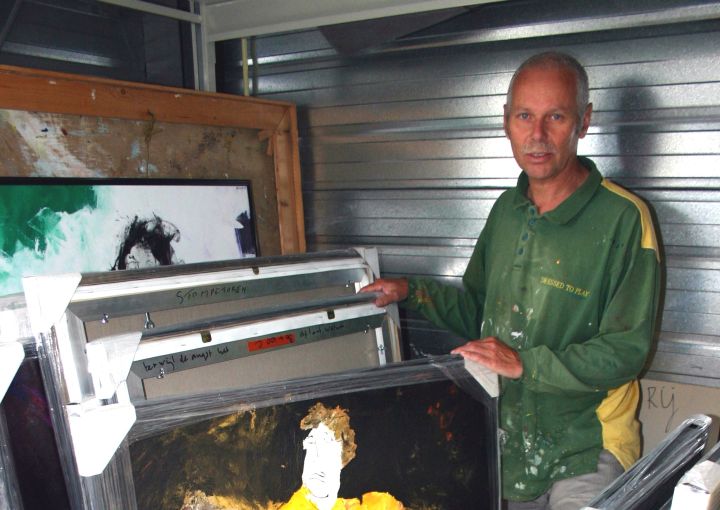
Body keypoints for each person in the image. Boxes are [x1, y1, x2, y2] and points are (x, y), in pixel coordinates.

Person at [361, 52, 661, 510]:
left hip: (587, 446)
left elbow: (626, 352)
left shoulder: (624, 218)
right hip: (511, 443)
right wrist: (413, 292)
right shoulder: (506, 211)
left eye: (555, 116)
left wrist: (525, 363)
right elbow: (479, 312)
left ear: (583, 121)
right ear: (506, 121)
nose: (537, 135)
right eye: (525, 115)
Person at [281, 402, 404, 510]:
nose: (317, 459)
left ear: (343, 458)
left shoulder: (380, 505)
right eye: (312, 444)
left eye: (328, 447)